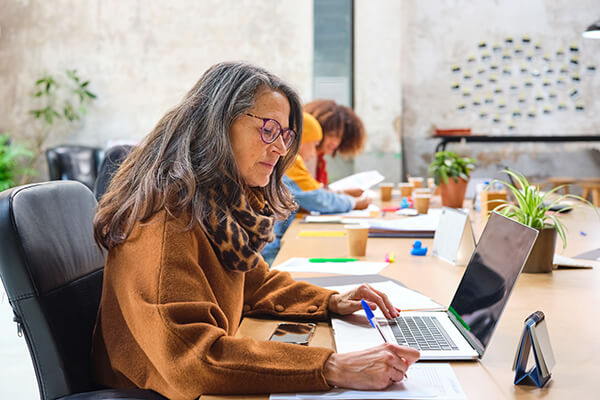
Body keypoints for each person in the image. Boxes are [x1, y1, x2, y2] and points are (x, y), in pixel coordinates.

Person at [91, 61, 419, 399]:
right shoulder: (165, 219)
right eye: (269, 129)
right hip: (156, 391)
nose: (280, 148)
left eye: (286, 135)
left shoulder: (214, 203)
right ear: (217, 125)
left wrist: (332, 301)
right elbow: (192, 357)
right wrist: (331, 366)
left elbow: (254, 282)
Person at [261, 112, 371, 265]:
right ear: (302, 141)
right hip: (272, 248)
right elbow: (316, 198)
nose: (314, 152)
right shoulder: (291, 161)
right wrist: (353, 203)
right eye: (314, 144)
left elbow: (309, 192)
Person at [304, 99, 367, 197]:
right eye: (331, 135)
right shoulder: (304, 156)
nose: (336, 142)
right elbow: (311, 196)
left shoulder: (319, 158)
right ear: (318, 129)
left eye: (340, 137)